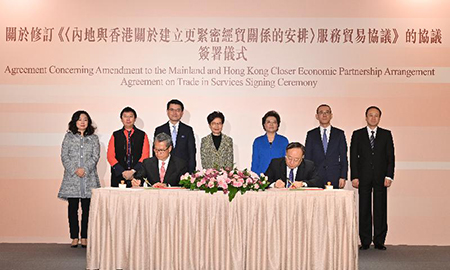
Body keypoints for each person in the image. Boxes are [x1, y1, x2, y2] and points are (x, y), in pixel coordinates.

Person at [350, 106, 395, 251]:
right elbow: (353, 158)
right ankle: (365, 241)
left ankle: (379, 240)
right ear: (366, 117)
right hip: (363, 177)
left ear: (379, 118)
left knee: (380, 209)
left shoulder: (386, 134)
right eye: (370, 115)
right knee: (364, 209)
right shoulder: (357, 134)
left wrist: (389, 176)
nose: (373, 118)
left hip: (381, 177)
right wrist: (355, 176)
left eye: (376, 115)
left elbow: (390, 157)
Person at [58, 110, 100, 248]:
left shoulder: (93, 138)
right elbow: (64, 156)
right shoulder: (68, 137)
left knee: (87, 209)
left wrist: (85, 169)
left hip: (89, 178)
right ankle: (74, 237)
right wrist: (75, 170)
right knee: (73, 209)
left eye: (85, 119)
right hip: (72, 179)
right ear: (74, 121)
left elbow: (95, 156)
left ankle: (85, 237)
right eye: (80, 119)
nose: (82, 122)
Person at [305, 104, 348, 188]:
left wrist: (343, 176)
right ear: (317, 116)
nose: (324, 115)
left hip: (334, 176)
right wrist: (308, 176)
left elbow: (343, 156)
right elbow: (308, 157)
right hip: (315, 176)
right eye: (321, 112)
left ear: (331, 115)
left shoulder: (339, 134)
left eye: (327, 112)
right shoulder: (311, 134)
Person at [107, 107, 150, 187]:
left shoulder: (142, 135)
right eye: (125, 116)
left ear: (135, 118)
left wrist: (133, 171)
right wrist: (122, 172)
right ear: (121, 119)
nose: (128, 119)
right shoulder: (115, 135)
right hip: (118, 175)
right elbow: (110, 156)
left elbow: (145, 156)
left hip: (137, 175)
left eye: (130, 116)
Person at [154, 99, 196, 173]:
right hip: (165, 171)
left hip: (183, 171)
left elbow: (191, 153)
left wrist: (191, 173)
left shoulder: (188, 130)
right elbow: (155, 152)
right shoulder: (159, 130)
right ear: (167, 111)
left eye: (178, 110)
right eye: (172, 110)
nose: (174, 113)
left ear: (182, 113)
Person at [251, 110, 289, 175]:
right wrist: (255, 177)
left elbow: (286, 160)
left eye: (274, 122)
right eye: (268, 122)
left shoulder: (283, 141)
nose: (271, 124)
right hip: (261, 177)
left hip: (278, 177)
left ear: (277, 125)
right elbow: (255, 161)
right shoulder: (258, 141)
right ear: (264, 124)